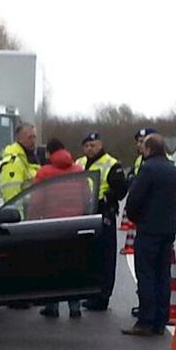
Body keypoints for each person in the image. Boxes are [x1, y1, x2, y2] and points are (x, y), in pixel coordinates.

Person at [122, 134, 176, 336]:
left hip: (148, 229)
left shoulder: (147, 169)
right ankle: (160, 320)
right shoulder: (173, 170)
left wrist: (135, 217)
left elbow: (134, 199)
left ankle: (145, 320)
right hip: (168, 229)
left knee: (145, 274)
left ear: (148, 150)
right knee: (162, 274)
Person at [32, 139, 89, 319]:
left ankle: (52, 306)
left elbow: (36, 200)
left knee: (52, 266)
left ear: (49, 153)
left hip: (52, 225)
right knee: (74, 265)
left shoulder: (44, 173)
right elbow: (87, 196)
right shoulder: (78, 170)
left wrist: (30, 221)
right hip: (75, 224)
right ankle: (75, 307)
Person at [76, 132, 128, 311]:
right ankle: (89, 292)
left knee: (105, 256)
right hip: (83, 213)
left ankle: (102, 296)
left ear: (101, 145)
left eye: (93, 145)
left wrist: (108, 197)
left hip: (103, 213)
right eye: (87, 146)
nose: (90, 149)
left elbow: (121, 190)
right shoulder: (79, 163)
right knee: (88, 255)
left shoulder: (111, 164)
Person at [0, 123, 40, 202]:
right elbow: (12, 197)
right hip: (22, 212)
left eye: (34, 137)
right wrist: (17, 214)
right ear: (19, 139)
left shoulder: (30, 159)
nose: (33, 141)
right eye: (30, 137)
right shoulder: (12, 163)